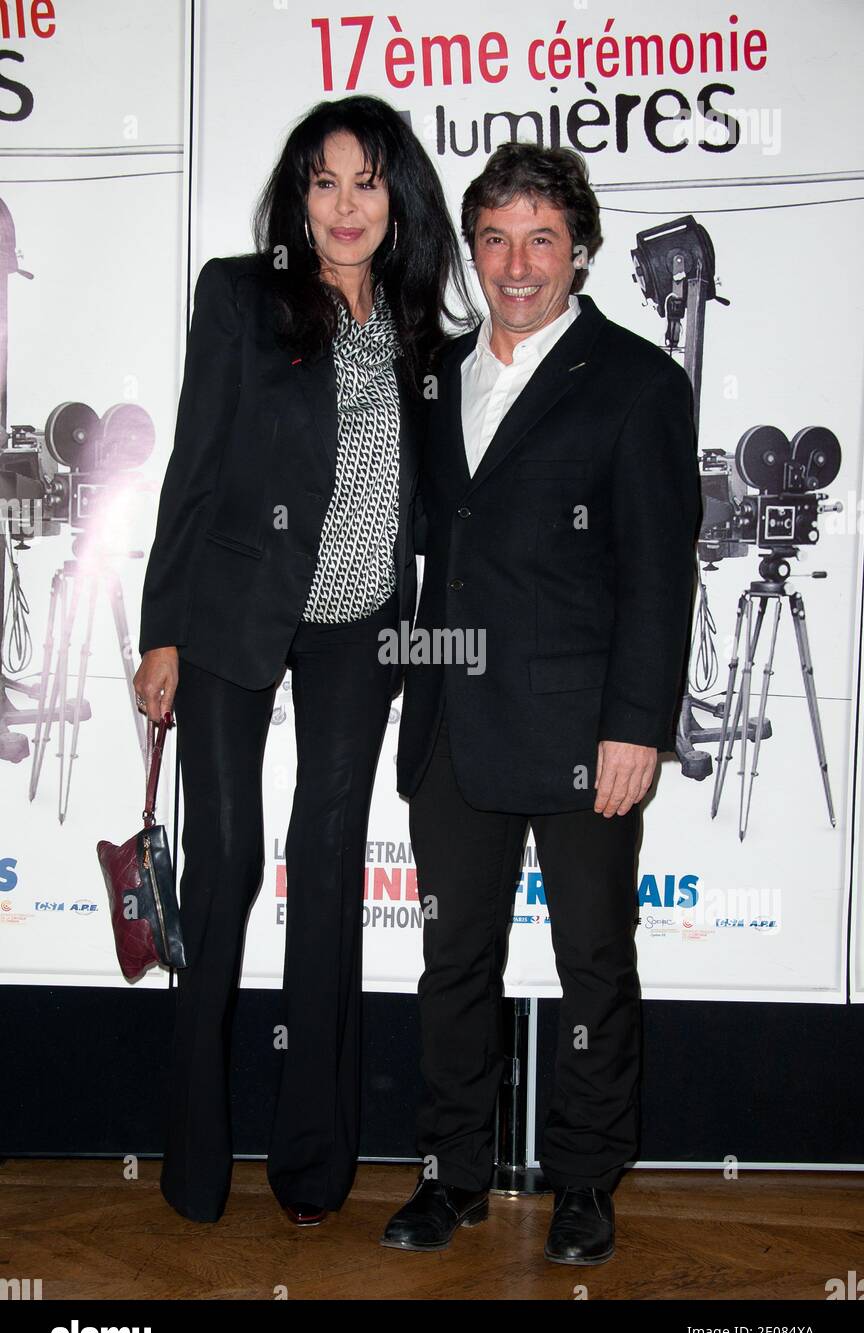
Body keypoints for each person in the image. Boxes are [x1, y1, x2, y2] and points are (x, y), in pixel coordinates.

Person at [133, 95, 475, 1225]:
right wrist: (162, 627)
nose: (344, 205)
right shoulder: (240, 295)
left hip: (362, 623)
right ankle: (192, 1159)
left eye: (366, 182)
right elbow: (194, 460)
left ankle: (313, 1164)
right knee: (225, 864)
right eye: (323, 182)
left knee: (324, 866)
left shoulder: (421, 324)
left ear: (396, 197)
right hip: (234, 608)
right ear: (298, 195)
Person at [381, 141, 702, 1263]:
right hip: (453, 727)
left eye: (543, 240)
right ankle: (454, 1173)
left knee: (594, 965)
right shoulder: (432, 377)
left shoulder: (638, 382)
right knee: (452, 964)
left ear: (581, 250)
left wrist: (635, 725)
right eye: (497, 239)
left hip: (583, 732)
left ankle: (583, 1182)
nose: (518, 264)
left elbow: (662, 572)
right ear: (472, 249)